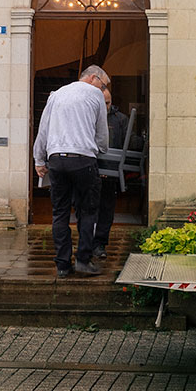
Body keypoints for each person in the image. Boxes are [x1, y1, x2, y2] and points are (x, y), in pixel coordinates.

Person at [33, 64, 111, 277]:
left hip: (56, 159)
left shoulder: (56, 94)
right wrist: (101, 148)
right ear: (94, 78)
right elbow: (102, 135)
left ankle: (62, 265)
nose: (104, 90)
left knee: (60, 213)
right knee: (87, 211)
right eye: (104, 84)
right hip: (83, 160)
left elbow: (44, 129)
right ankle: (83, 260)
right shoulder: (95, 94)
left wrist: (39, 159)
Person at [90, 87, 129, 259]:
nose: (106, 106)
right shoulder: (88, 117)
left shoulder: (120, 119)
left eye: (108, 102)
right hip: (91, 171)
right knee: (89, 208)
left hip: (111, 172)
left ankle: (99, 244)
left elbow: (125, 143)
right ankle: (87, 243)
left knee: (106, 209)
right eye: (103, 103)